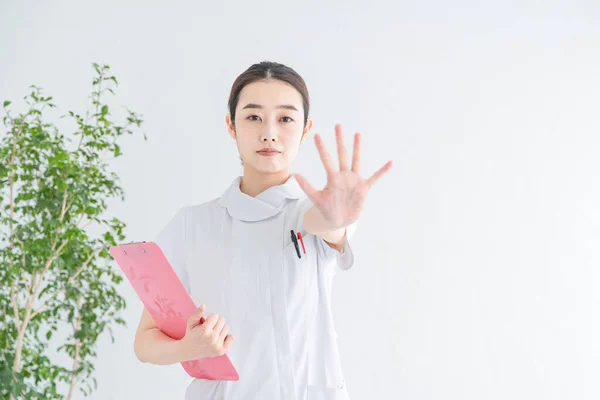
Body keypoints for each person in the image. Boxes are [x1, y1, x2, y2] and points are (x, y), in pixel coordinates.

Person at [133, 60, 392, 400]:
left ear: (305, 128)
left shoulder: (316, 211)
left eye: (285, 118)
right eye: (253, 116)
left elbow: (326, 224)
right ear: (231, 125)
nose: (269, 132)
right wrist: (189, 347)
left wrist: (338, 216)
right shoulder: (191, 225)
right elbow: (144, 342)